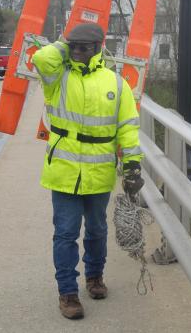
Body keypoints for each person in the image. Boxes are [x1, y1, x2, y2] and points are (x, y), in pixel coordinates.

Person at [32, 23, 144, 320]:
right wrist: (63, 44)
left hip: (99, 172)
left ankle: (94, 277)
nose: (78, 52)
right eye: (74, 46)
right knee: (66, 233)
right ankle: (67, 292)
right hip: (64, 172)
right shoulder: (57, 78)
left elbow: (128, 128)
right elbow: (40, 59)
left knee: (96, 231)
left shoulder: (116, 84)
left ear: (98, 47)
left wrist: (132, 164)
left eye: (84, 47)